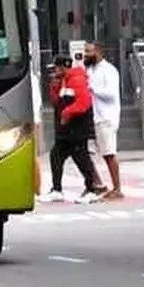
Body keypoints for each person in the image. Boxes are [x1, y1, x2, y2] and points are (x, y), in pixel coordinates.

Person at [38, 55, 101, 204]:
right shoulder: (64, 81)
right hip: (67, 130)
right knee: (56, 156)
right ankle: (57, 189)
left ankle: (92, 189)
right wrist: (54, 86)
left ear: (62, 67)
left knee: (81, 158)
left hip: (77, 128)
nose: (54, 72)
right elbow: (57, 102)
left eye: (56, 68)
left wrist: (67, 113)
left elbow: (84, 103)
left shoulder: (76, 79)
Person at [84, 41, 123, 200]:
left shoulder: (109, 70)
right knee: (84, 153)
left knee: (108, 153)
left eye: (88, 51)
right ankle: (99, 184)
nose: (85, 54)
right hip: (93, 117)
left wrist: (92, 88)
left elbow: (111, 94)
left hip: (106, 117)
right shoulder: (90, 70)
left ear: (98, 52)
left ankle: (117, 188)